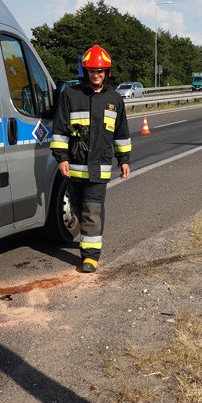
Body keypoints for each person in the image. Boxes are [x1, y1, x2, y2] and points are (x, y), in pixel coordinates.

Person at [50, 45, 131, 273]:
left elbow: (121, 133)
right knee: (77, 208)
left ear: (107, 72)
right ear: (85, 72)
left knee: (92, 210)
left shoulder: (115, 100)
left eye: (100, 71)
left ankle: (90, 257)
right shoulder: (71, 96)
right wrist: (61, 158)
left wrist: (123, 160)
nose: (96, 75)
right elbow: (59, 131)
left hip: (99, 168)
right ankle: (87, 240)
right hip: (74, 167)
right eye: (92, 71)